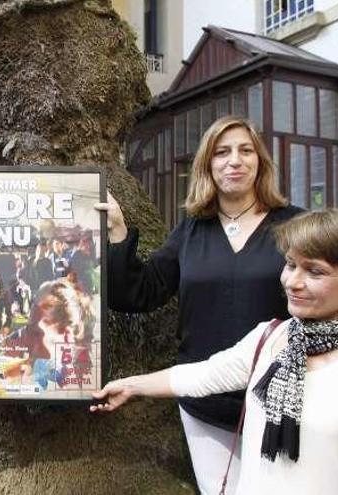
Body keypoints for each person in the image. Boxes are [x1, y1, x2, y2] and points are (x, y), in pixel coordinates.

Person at [91, 207, 338, 495]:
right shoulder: (272, 337)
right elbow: (204, 375)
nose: (292, 282)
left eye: (315, 272)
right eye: (291, 265)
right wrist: (131, 386)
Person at [94, 115, 303, 493]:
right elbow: (140, 292)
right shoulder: (191, 229)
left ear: (260, 162)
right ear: (208, 165)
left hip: (282, 404)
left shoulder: (296, 226)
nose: (234, 161)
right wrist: (118, 232)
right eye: (222, 153)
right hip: (204, 405)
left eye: (245, 150)